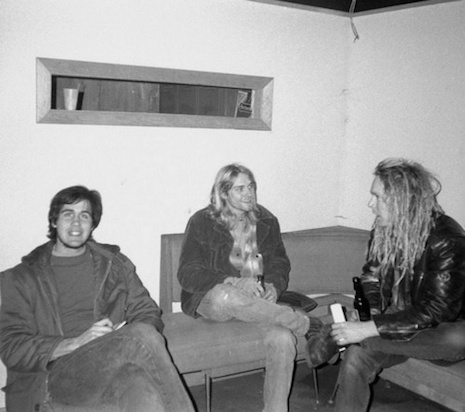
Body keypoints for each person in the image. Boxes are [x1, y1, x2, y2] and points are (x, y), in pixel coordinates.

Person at [0, 186, 194, 412]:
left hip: (106, 364)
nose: (76, 223)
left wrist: (117, 339)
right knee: (141, 335)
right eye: (68, 214)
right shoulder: (22, 277)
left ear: (92, 224)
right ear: (54, 221)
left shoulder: (114, 264)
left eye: (84, 216)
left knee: (141, 389)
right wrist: (76, 343)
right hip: (54, 375)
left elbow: (147, 312)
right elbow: (11, 347)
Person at [306, 158, 465, 411]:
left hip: (441, 330)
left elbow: (437, 311)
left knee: (457, 339)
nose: (370, 204)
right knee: (357, 356)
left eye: (377, 197)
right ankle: (349, 339)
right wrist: (372, 315)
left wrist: (367, 330)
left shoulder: (446, 239)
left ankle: (337, 336)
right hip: (398, 319)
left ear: (402, 201)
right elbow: (372, 277)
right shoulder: (384, 227)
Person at [177, 163, 321, 412]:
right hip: (214, 299)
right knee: (226, 296)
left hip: (258, 303)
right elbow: (187, 273)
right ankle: (306, 325)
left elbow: (279, 262)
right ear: (224, 193)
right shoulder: (202, 221)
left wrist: (273, 286)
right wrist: (234, 281)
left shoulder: (266, 220)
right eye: (240, 188)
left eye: (251, 186)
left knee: (283, 339)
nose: (249, 193)